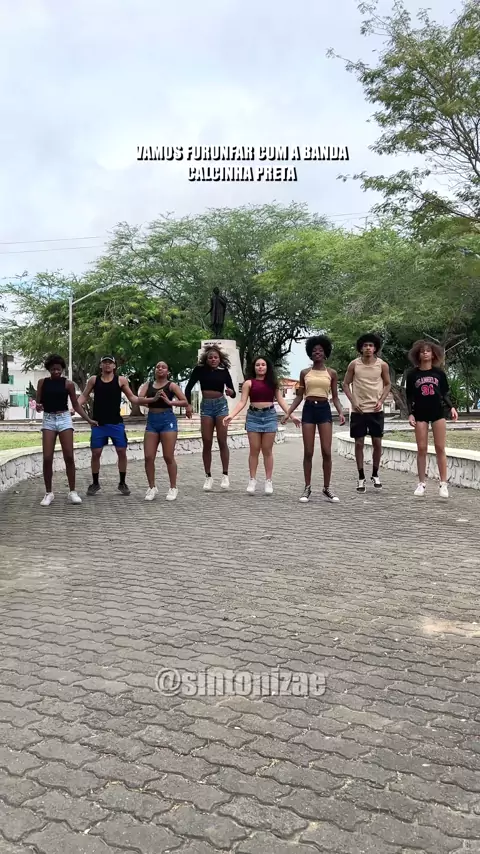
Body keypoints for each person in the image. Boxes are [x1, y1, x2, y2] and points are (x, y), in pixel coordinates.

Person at [282, 335, 345, 503]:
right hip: (309, 409)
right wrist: (288, 413)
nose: (317, 352)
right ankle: (307, 487)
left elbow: (335, 397)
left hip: (324, 409)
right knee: (308, 451)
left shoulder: (331, 373)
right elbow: (299, 396)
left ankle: (327, 488)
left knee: (326, 451)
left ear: (325, 353)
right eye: (314, 350)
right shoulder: (305, 373)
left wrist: (341, 412)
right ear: (310, 353)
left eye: (320, 350)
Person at [223, 356, 299, 494]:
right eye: (258, 365)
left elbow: (281, 401)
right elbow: (242, 402)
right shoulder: (248, 383)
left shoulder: (273, 383)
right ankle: (252, 480)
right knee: (254, 450)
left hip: (269, 416)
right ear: (254, 367)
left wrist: (291, 415)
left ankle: (268, 481)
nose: (260, 367)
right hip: (253, 417)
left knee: (267, 450)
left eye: (263, 364)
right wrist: (231, 415)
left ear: (267, 367)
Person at [35, 354, 97, 506]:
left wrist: (88, 420)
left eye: (58, 369)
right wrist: (39, 406)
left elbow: (76, 405)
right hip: (49, 419)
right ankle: (48, 493)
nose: (56, 372)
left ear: (62, 369)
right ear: (49, 369)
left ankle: (72, 492)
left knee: (69, 456)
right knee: (47, 457)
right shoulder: (42, 383)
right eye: (53, 369)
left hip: (64, 419)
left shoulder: (68, 384)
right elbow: (38, 403)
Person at [77, 356, 139, 496]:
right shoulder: (94, 380)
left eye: (110, 363)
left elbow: (133, 398)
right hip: (99, 424)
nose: (107, 365)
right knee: (96, 453)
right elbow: (84, 396)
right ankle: (95, 483)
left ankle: (122, 482)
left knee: (121, 451)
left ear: (114, 366)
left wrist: (149, 400)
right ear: (100, 365)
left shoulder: (121, 380)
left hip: (116, 423)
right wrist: (75, 406)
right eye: (104, 362)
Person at [406, 340, 458, 498]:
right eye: (422, 351)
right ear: (418, 355)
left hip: (437, 412)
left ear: (434, 354)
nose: (425, 353)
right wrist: (410, 413)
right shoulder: (412, 375)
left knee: (440, 447)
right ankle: (421, 483)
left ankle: (443, 483)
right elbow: (409, 397)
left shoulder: (439, 373)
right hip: (420, 413)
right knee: (421, 448)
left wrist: (452, 407)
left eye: (428, 350)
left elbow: (444, 393)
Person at [342, 334, 391, 493]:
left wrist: (381, 401)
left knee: (377, 443)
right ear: (361, 348)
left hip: (376, 411)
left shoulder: (382, 365)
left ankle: (375, 474)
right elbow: (345, 384)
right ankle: (361, 476)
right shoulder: (354, 364)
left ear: (375, 348)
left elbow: (388, 384)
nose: (368, 348)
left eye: (371, 345)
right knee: (359, 443)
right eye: (365, 345)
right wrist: (353, 402)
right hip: (359, 411)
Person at [185, 345, 236, 491]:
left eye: (216, 357)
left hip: (221, 406)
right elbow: (188, 388)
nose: (213, 359)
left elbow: (233, 393)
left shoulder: (223, 371)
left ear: (220, 359)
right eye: (210, 357)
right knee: (207, 441)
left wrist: (230, 392)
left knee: (222, 440)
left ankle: (225, 475)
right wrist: (188, 405)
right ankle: (208, 476)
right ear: (206, 359)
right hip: (206, 406)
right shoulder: (199, 370)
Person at [137, 361, 189, 501]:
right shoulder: (148, 385)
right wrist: (153, 399)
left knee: (168, 456)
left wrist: (170, 402)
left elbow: (184, 401)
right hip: (152, 421)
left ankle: (173, 487)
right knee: (148, 456)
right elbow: (139, 399)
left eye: (163, 367)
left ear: (167, 371)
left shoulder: (171, 385)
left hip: (167, 420)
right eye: (157, 367)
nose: (160, 368)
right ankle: (152, 487)